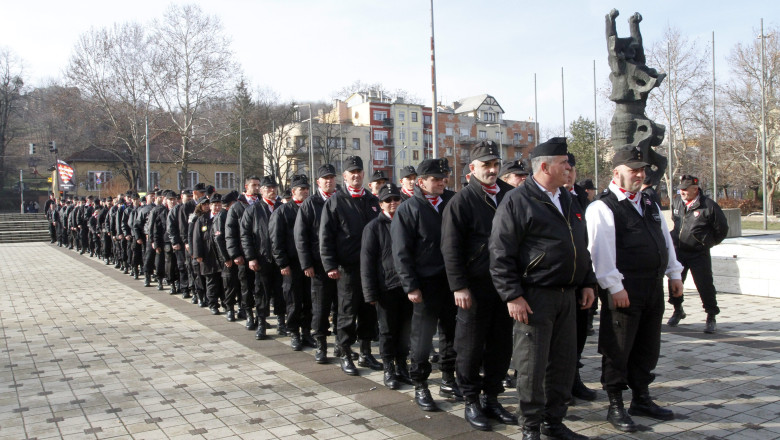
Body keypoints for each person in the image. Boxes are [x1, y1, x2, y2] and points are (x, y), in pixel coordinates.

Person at [490, 137, 596, 440]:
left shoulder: (569, 199)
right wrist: (512, 294)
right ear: (546, 166)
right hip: (534, 297)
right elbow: (500, 252)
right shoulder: (517, 200)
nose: (569, 168)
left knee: (563, 363)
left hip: (568, 295)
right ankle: (531, 427)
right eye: (564, 163)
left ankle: (554, 421)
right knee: (532, 365)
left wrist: (587, 281)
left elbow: (581, 246)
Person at [585, 146, 684, 433]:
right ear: (616, 172)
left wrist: (674, 272)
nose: (640, 175)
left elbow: (665, 240)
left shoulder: (649, 203)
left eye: (642, 170)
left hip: (652, 287)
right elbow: (599, 252)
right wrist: (614, 286)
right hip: (624, 289)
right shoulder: (603, 207)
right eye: (633, 170)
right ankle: (615, 404)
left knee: (647, 346)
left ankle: (641, 397)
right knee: (619, 347)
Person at [441, 141, 517, 430]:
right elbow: (450, 247)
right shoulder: (461, 201)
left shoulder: (510, 195)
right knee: (470, 347)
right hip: (474, 287)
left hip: (505, 286)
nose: (492, 169)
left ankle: (493, 398)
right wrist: (459, 286)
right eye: (486, 164)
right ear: (471, 168)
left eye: (495, 164)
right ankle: (471, 399)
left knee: (501, 344)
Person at [392, 157, 459, 412]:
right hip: (425, 284)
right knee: (422, 337)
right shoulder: (408, 209)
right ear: (421, 182)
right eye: (435, 179)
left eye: (444, 178)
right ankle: (420, 384)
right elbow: (401, 251)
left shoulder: (452, 202)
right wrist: (410, 285)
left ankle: (449, 378)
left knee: (451, 334)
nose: (442, 182)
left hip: (451, 282)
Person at [319, 155, 382, 376]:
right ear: (344, 176)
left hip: (371, 268)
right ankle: (345, 352)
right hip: (347, 267)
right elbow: (325, 236)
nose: (356, 176)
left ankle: (365, 352)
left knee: (368, 311)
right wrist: (330, 265)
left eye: (359, 172)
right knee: (347, 312)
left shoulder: (373, 201)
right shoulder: (336, 201)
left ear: (364, 174)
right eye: (351, 173)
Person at [361, 182, 412, 390]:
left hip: (407, 287)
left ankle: (402, 366)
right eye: (388, 200)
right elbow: (367, 262)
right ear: (381, 204)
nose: (393, 203)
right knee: (388, 331)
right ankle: (389, 368)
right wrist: (370, 292)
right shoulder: (373, 227)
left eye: (396, 199)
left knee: (405, 330)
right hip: (386, 288)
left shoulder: (408, 223)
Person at [669, 174, 728, 333]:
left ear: (695, 189)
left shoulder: (708, 205)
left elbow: (722, 229)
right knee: (675, 282)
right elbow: (675, 223)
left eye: (686, 190)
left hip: (698, 253)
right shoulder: (677, 202)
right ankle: (678, 309)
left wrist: (707, 243)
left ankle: (711, 315)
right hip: (679, 251)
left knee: (704, 285)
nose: (682, 192)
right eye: (681, 189)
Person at [295, 164, 339, 364]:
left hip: (342, 264)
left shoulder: (342, 200)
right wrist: (306, 264)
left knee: (343, 307)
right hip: (319, 266)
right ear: (318, 182)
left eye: (331, 177)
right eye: (325, 178)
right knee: (321, 308)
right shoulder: (310, 204)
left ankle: (341, 343)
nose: (329, 181)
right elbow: (301, 237)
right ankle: (321, 345)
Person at [270, 174, 315, 351]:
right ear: (293, 191)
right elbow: (276, 239)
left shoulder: (311, 208)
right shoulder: (282, 211)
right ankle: (294, 332)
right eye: (301, 189)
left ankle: (306, 332)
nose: (304, 191)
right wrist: (282, 263)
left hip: (310, 263)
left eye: (306, 188)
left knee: (309, 299)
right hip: (292, 263)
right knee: (293, 300)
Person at [226, 176, 261, 330]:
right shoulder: (237, 207)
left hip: (261, 253)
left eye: (258, 185)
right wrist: (235, 254)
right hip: (244, 254)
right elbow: (230, 232)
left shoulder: (262, 204)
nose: (257, 188)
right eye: (253, 185)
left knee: (261, 288)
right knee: (246, 287)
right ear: (246, 186)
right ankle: (248, 315)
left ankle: (261, 316)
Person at [259, 176, 287, 335]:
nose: (272, 190)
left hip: (280, 258)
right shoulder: (254, 209)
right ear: (262, 190)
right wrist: (251, 257)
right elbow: (246, 236)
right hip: (262, 258)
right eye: (268, 188)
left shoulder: (282, 208)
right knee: (262, 291)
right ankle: (261, 322)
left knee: (280, 291)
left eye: (273, 187)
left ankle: (281, 322)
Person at [192, 194, 225, 315]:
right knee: (211, 282)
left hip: (222, 256)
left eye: (219, 205)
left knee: (223, 282)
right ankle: (213, 304)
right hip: (208, 256)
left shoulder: (224, 217)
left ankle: (225, 303)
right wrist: (198, 255)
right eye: (215, 205)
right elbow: (197, 239)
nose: (217, 207)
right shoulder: (202, 219)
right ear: (210, 206)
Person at [214, 191, 241, 321]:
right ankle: (229, 308)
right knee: (230, 284)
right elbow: (219, 239)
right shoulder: (222, 216)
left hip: (236, 254)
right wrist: (226, 258)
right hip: (228, 258)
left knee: (240, 284)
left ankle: (241, 308)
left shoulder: (231, 214)